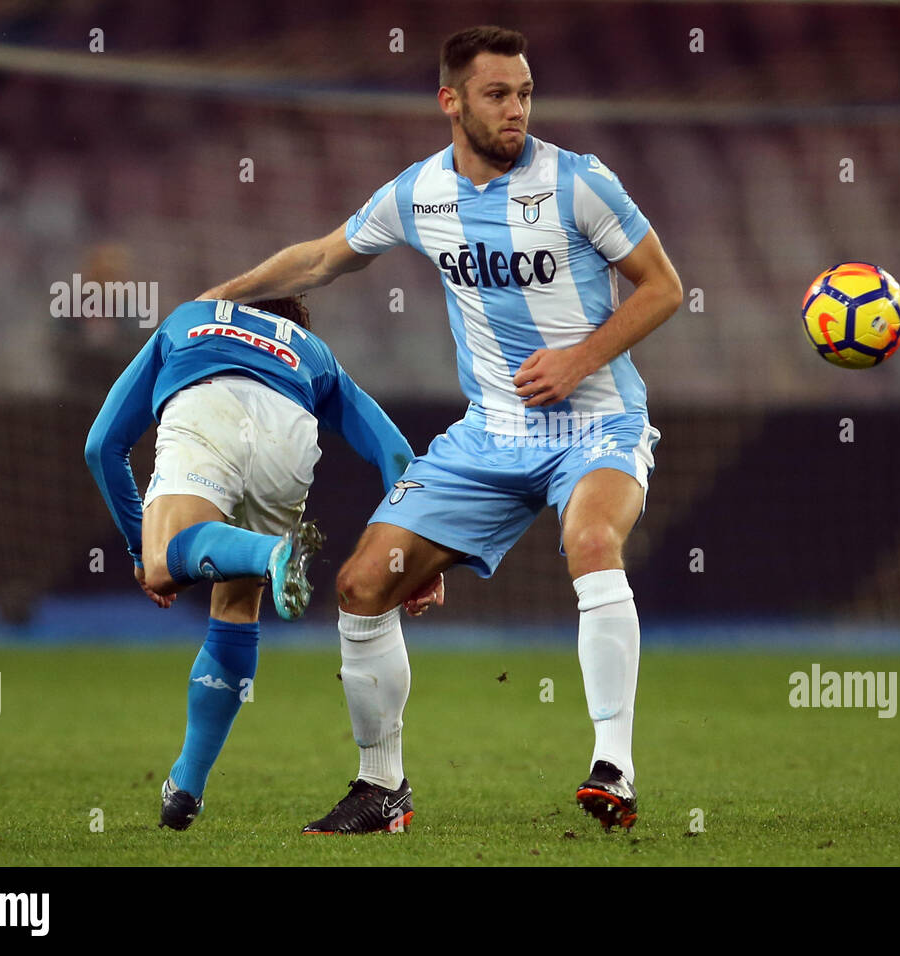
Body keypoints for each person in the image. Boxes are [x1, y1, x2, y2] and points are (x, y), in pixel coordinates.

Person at [197, 25, 683, 834]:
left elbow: (662, 288)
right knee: (360, 585)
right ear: (450, 101)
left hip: (597, 423)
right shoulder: (419, 194)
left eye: (525, 92)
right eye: (498, 94)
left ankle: (614, 768)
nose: (517, 110)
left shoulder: (580, 183)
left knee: (593, 541)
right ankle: (382, 789)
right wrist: (214, 302)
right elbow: (319, 259)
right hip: (489, 437)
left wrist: (578, 359)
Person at [84, 296, 415, 830]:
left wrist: (140, 552)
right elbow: (395, 453)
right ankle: (184, 788)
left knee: (171, 559)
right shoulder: (316, 355)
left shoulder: (188, 320)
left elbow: (102, 446)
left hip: (207, 406)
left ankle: (269, 556)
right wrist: (422, 554)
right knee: (236, 605)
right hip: (290, 431)